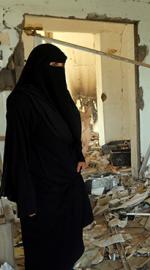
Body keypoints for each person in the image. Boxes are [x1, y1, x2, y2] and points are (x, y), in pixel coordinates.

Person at [0, 44, 93, 270]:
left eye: (61, 66)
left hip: (67, 185)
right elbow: (17, 153)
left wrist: (78, 155)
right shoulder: (21, 101)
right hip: (42, 193)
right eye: (52, 65)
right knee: (46, 255)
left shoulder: (59, 96)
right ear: (37, 68)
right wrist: (26, 200)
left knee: (69, 249)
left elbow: (70, 132)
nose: (57, 70)